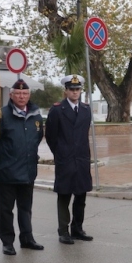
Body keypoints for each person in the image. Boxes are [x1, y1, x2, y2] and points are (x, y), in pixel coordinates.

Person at [0, 79, 45, 255]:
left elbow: (37, 138)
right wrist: (4, 158)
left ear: (29, 95)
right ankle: (7, 242)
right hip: (8, 171)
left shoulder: (36, 115)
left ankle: (27, 238)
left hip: (28, 170)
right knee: (6, 210)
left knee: (26, 208)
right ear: (11, 95)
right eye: (18, 93)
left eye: (25, 94)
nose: (22, 96)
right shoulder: (2, 114)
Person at [45, 74, 94, 245]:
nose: (75, 92)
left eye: (78, 89)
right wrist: (60, 153)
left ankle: (78, 228)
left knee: (81, 196)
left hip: (81, 159)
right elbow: (50, 136)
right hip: (65, 159)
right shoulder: (58, 110)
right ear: (65, 91)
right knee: (64, 196)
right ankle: (64, 231)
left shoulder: (86, 109)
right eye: (71, 89)